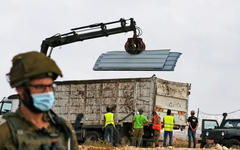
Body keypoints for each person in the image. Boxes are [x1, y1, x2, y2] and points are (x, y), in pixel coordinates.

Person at [0, 51, 79, 150]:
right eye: (40, 86)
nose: (47, 92)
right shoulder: (5, 134)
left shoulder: (64, 129)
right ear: (21, 89)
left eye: (50, 86)